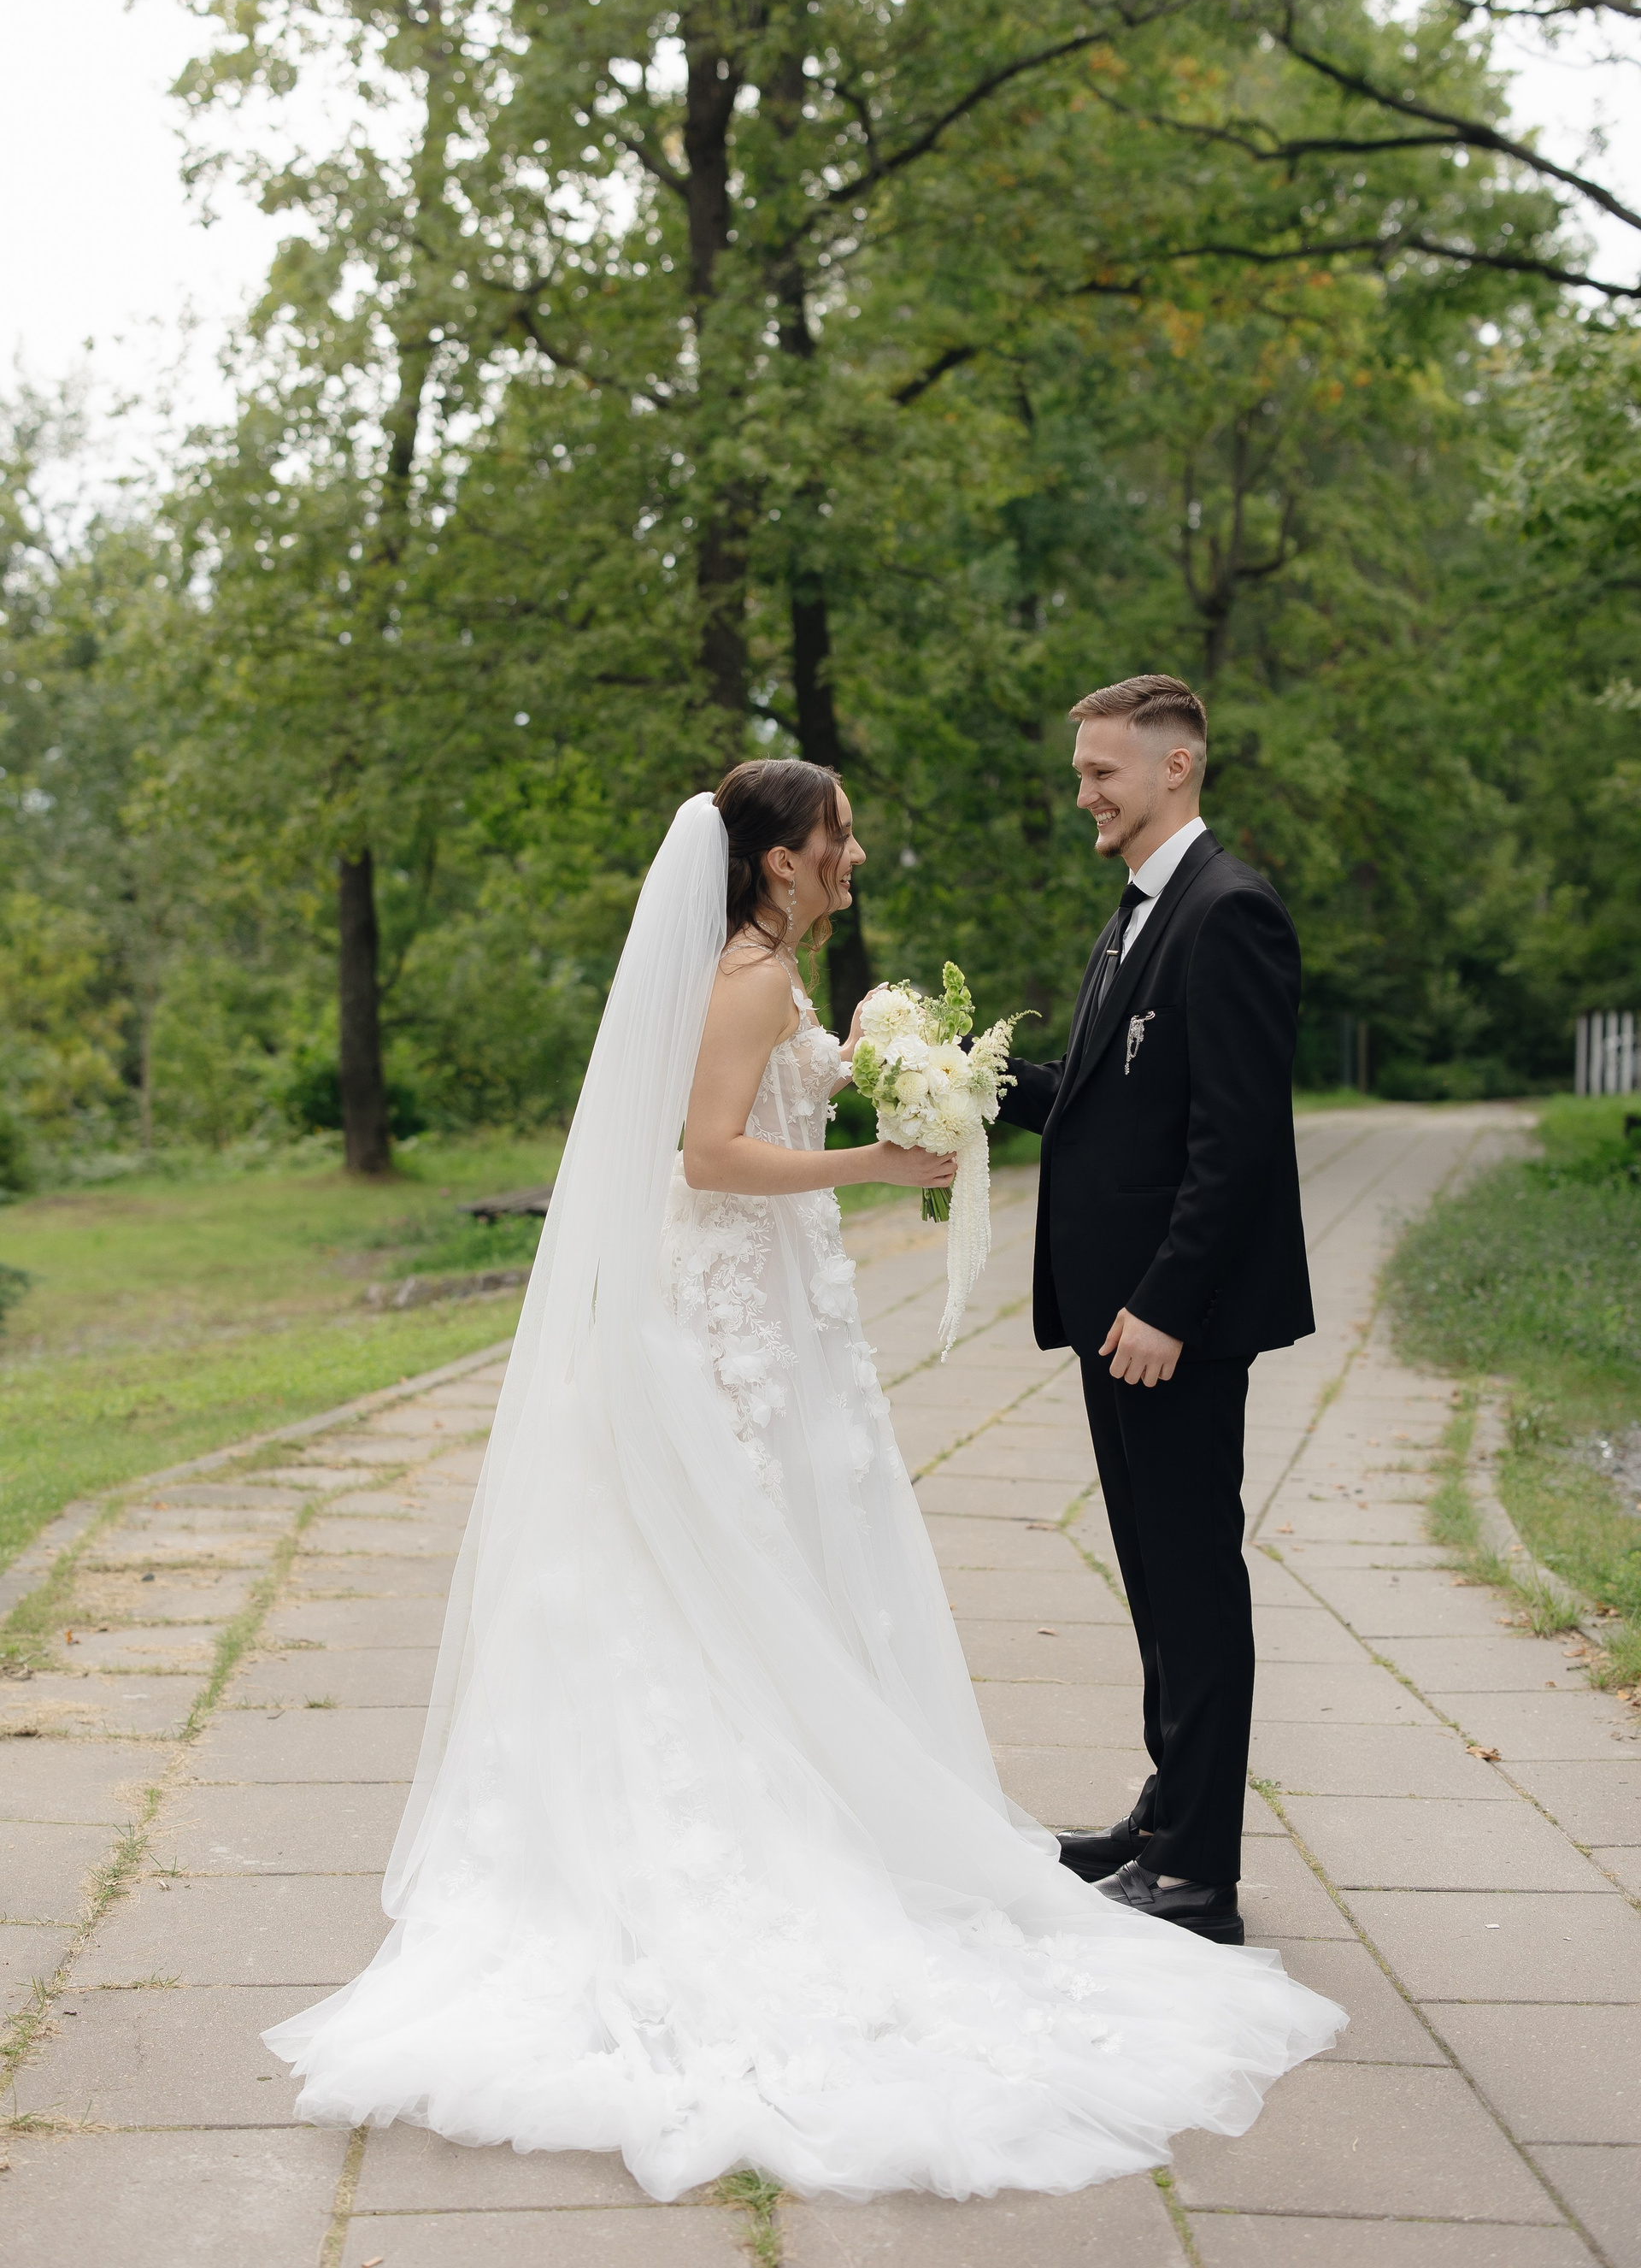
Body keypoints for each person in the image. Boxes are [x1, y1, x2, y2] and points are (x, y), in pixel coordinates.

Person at [264, 757, 1339, 2202]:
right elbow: (710, 1159)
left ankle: (843, 1805)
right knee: (737, 1567)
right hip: (732, 1326)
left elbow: (800, 1091)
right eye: (837, 835)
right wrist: (875, 1168)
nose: (855, 853)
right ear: (780, 861)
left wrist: (910, 1064)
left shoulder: (768, 973)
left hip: (773, 1311)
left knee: (768, 1575)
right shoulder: (752, 978)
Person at [994, 677, 1314, 1946]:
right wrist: (960, 1078)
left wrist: (1169, 1304)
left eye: (1102, 772)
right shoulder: (1140, 909)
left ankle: (1197, 1877)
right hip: (1113, 1319)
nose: (1084, 792)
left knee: (1192, 1581)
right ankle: (1167, 1814)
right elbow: (1100, 1100)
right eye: (1081, 770)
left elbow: (1236, 1142)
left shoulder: (1228, 912)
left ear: (1176, 767)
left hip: (1169, 1326)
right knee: (1152, 1573)